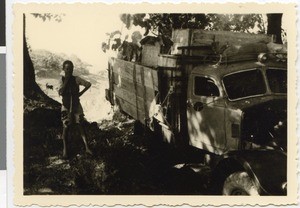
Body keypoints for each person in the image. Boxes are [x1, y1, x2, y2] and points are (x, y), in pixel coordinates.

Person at [58, 60, 92, 158]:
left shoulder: (76, 79)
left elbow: (88, 84)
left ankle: (87, 148)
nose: (69, 70)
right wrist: (66, 81)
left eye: (71, 68)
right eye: (67, 69)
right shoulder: (61, 80)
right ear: (63, 69)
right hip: (66, 106)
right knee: (66, 127)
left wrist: (80, 93)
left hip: (76, 106)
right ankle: (65, 151)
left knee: (80, 126)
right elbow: (60, 92)